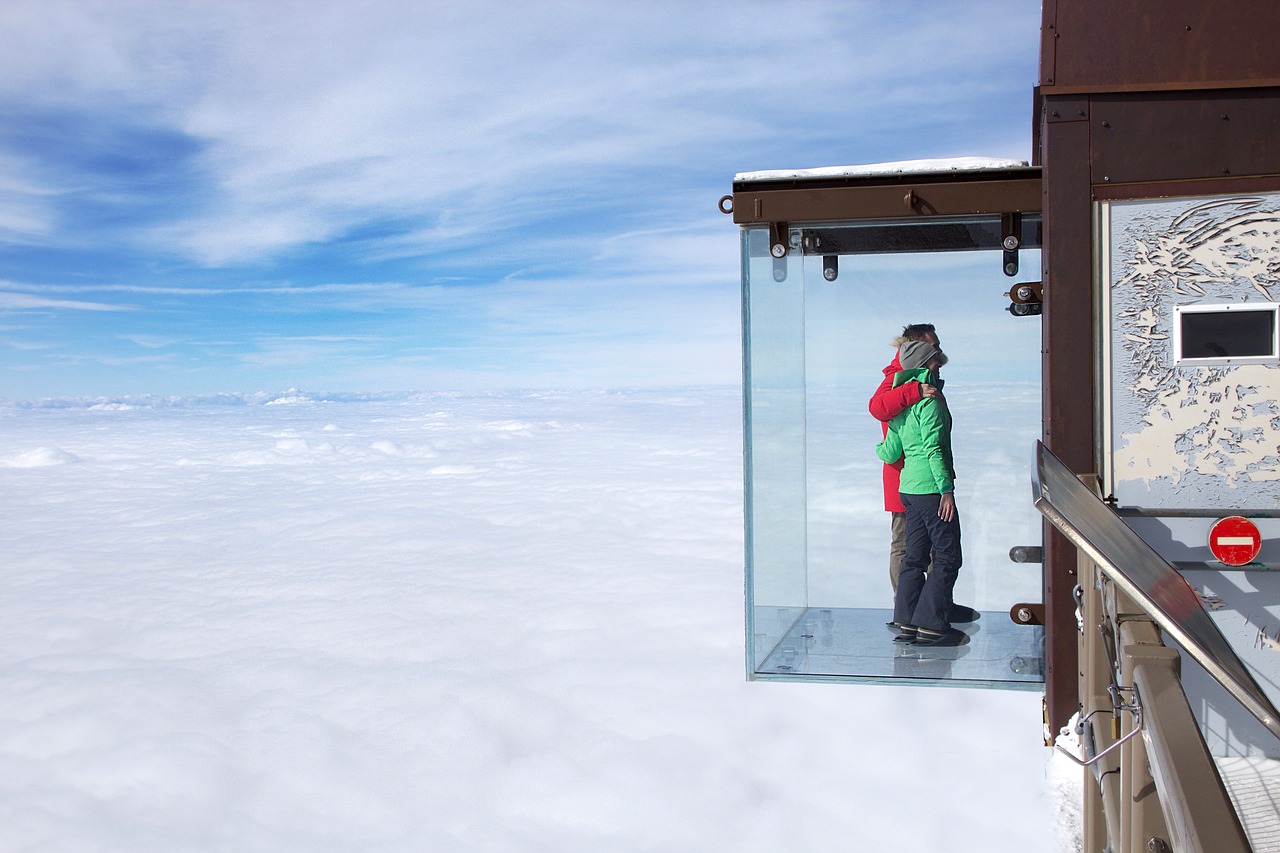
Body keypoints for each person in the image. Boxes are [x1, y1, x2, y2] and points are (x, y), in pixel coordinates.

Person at [876, 340, 967, 646]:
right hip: (930, 488)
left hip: (907, 490)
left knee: (914, 557)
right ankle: (931, 626)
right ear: (928, 364)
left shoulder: (902, 404)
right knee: (947, 556)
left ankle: (907, 619)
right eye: (936, 361)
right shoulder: (931, 401)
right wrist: (946, 490)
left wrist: (878, 447)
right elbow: (935, 449)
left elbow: (890, 452)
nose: (939, 365)